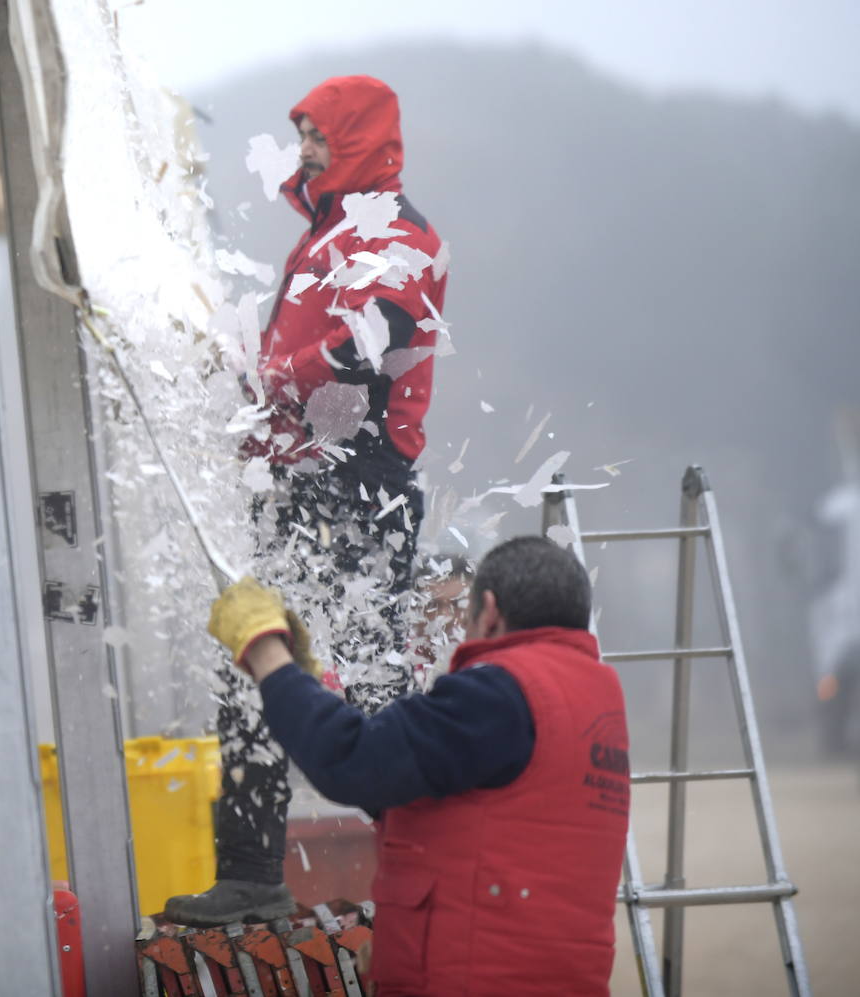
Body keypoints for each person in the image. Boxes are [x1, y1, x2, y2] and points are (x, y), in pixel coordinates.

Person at [165, 74, 449, 925]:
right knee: (253, 662)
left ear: (361, 135)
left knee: (367, 685)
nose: (306, 150)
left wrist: (268, 379)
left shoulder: (402, 235)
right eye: (301, 135)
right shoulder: (325, 237)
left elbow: (365, 354)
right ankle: (251, 871)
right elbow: (308, 370)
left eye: (319, 134)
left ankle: (431, 860)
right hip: (302, 486)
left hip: (362, 489)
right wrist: (248, 386)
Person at [206, 536, 631, 996]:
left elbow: (352, 764)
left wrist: (265, 650)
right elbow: (413, 794)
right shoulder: (585, 699)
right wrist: (308, 687)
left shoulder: (501, 693)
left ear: (487, 610)